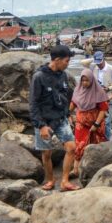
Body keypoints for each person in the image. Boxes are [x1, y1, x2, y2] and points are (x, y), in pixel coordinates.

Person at [29, 45, 79, 192]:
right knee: (47, 153)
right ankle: (50, 179)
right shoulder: (39, 77)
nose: (67, 64)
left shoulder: (63, 75)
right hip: (44, 122)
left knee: (71, 148)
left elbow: (64, 98)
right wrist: (41, 125)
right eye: (66, 61)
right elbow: (33, 104)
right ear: (56, 60)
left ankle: (64, 181)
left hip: (60, 119)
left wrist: (68, 114)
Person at [69, 68, 109, 176]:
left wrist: (96, 124)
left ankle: (96, 169)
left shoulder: (98, 91)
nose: (84, 83)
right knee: (79, 144)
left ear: (91, 80)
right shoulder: (78, 90)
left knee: (96, 144)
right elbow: (74, 103)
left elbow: (103, 109)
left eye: (87, 80)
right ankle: (76, 169)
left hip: (96, 123)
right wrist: (67, 114)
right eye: (83, 80)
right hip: (81, 123)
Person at [80, 51, 112, 140]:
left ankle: (107, 140)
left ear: (103, 59)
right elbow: (82, 63)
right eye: (97, 62)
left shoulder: (111, 68)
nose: (99, 64)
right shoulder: (94, 67)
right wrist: (93, 58)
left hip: (108, 98)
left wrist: (108, 88)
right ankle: (99, 139)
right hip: (96, 99)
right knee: (97, 120)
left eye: (100, 62)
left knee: (106, 122)